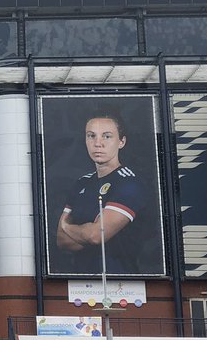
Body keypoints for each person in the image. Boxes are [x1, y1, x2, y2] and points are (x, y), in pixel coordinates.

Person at [55, 112, 149, 275]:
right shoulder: (82, 183)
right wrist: (88, 230)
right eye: (91, 136)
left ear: (121, 142)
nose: (98, 143)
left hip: (121, 283)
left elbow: (96, 236)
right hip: (81, 282)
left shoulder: (129, 183)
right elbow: (61, 240)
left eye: (107, 136)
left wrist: (69, 227)